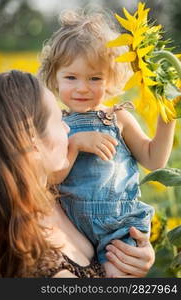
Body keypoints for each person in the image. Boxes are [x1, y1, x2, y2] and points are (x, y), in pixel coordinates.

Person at [39, 9, 176, 277]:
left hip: (117, 224)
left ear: (111, 78)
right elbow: (50, 179)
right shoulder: (56, 124)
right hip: (70, 225)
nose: (82, 88)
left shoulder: (118, 117)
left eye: (95, 78)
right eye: (71, 77)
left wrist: (167, 118)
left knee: (115, 276)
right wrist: (74, 144)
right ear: (54, 78)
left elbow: (154, 159)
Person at [0, 70, 155, 278]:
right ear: (32, 141)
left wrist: (135, 256)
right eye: (58, 120)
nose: (66, 128)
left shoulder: (54, 192)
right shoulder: (40, 265)